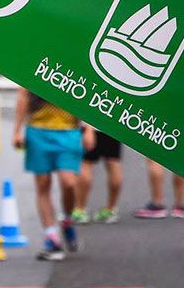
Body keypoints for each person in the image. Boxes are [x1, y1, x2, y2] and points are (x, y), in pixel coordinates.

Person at [13, 89, 87, 260]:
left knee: (69, 182)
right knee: (43, 184)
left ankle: (67, 220)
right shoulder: (34, 64)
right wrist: (17, 130)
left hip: (69, 131)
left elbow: (88, 90)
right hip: (38, 130)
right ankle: (51, 237)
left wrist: (88, 128)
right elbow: (23, 94)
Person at [74, 128, 123, 223]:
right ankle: (110, 209)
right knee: (113, 163)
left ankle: (80, 210)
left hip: (94, 125)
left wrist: (88, 129)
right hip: (114, 125)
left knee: (85, 164)